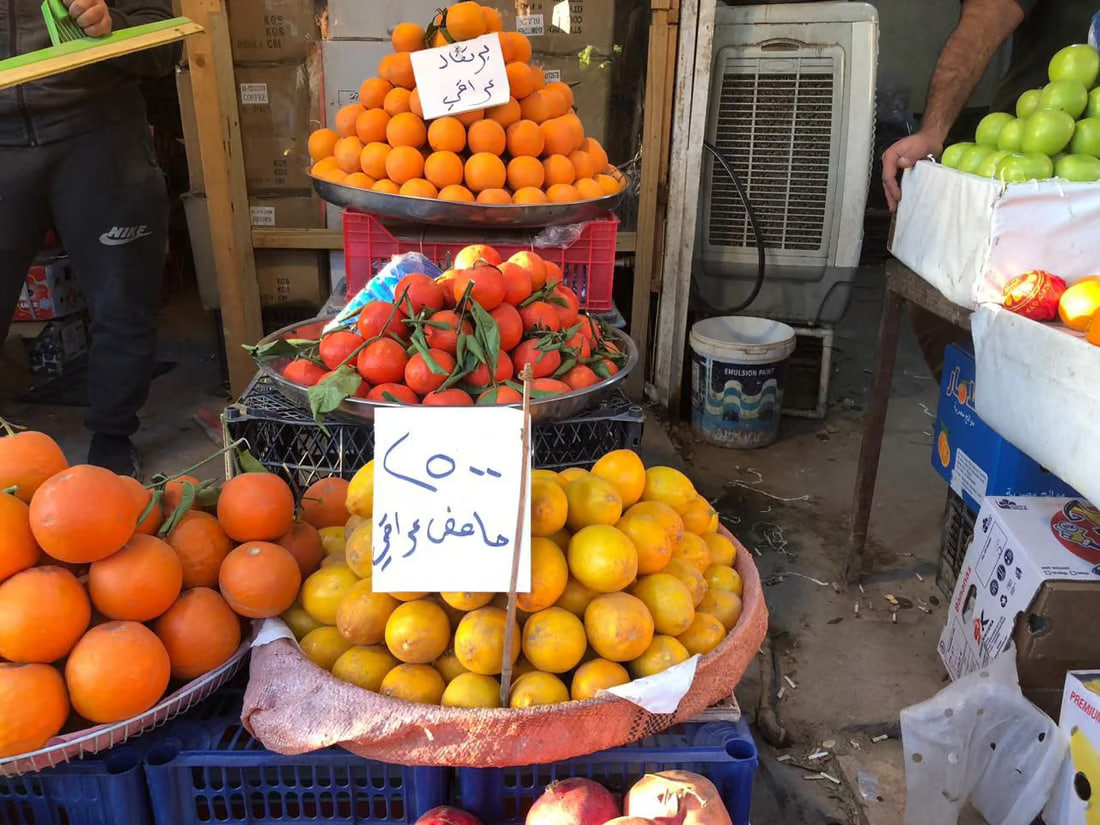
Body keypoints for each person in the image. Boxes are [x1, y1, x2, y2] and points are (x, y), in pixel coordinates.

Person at [0, 0, 178, 477]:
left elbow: (164, 43)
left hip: (99, 134)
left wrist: (112, 26)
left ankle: (113, 434)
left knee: (123, 299)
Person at [881, 0, 1096, 381]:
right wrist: (934, 129)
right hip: (1019, 176)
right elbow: (982, 22)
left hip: (1078, 184)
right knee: (951, 302)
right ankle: (973, 406)